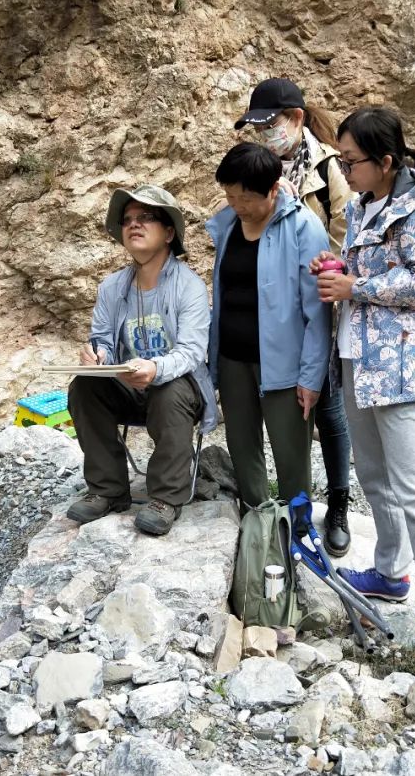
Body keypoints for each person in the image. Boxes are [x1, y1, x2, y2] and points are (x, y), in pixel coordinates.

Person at [311, 106, 415, 681]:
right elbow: (374, 277)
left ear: (385, 162)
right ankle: (390, 572)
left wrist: (355, 284)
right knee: (376, 479)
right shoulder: (363, 206)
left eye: (351, 161)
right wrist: (340, 269)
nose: (344, 170)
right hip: (363, 362)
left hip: (407, 369)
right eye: (339, 159)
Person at [235, 77, 356, 556]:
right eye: (256, 126)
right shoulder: (258, 167)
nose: (264, 134)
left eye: (270, 124)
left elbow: (350, 240)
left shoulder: (329, 172)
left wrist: (324, 262)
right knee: (287, 404)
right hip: (271, 308)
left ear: (297, 119)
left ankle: (339, 505)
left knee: (327, 407)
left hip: (322, 298)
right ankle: (282, 505)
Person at [66, 184, 217, 536]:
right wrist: (97, 355)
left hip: (177, 392)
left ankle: (166, 497)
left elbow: (192, 351)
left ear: (168, 233)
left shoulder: (188, 286)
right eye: (128, 219)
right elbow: (102, 336)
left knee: (169, 388)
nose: (134, 224)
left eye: (146, 218)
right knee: (85, 385)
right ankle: (107, 490)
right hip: (129, 387)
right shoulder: (112, 287)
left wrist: (155, 369)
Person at [207, 142, 330, 510]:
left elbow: (319, 311)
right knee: (242, 448)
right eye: (230, 196)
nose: (237, 205)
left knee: (291, 455)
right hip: (233, 359)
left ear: (274, 189)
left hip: (284, 368)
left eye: (246, 198)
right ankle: (257, 524)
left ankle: (298, 532)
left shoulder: (303, 228)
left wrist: (311, 377)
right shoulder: (229, 224)